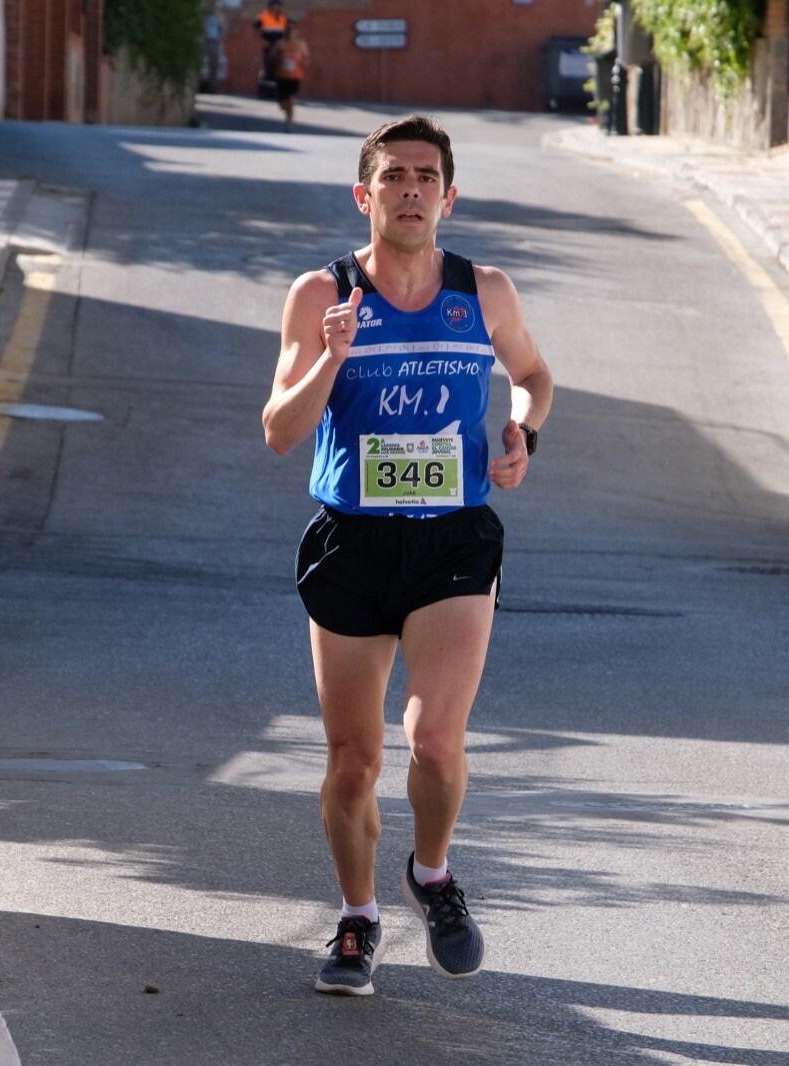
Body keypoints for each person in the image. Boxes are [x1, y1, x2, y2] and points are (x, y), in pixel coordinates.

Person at [261, 115, 553, 997]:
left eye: (427, 176)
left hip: (454, 542)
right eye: (394, 176)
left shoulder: (486, 291)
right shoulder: (321, 296)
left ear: (449, 197)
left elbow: (536, 378)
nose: (411, 189)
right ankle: (357, 921)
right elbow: (279, 432)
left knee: (434, 739)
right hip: (351, 539)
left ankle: (432, 875)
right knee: (353, 763)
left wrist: (521, 435)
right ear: (366, 195)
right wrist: (330, 358)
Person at [272, 23, 309, 132]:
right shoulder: (280, 44)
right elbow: (273, 58)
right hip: (281, 75)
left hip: (295, 76)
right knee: (283, 103)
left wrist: (302, 64)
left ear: (296, 32)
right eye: (288, 31)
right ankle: (286, 110)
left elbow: (305, 59)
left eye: (292, 31)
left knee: (291, 99)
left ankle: (289, 123)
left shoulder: (300, 45)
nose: (290, 33)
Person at [254, 0, 289, 96]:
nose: (277, 8)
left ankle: (274, 91)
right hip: (268, 47)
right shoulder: (263, 17)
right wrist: (263, 41)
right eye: (276, 5)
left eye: (279, 6)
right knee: (267, 68)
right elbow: (256, 29)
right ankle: (263, 90)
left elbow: (286, 32)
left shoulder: (283, 18)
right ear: (271, 6)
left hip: (278, 47)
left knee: (277, 68)